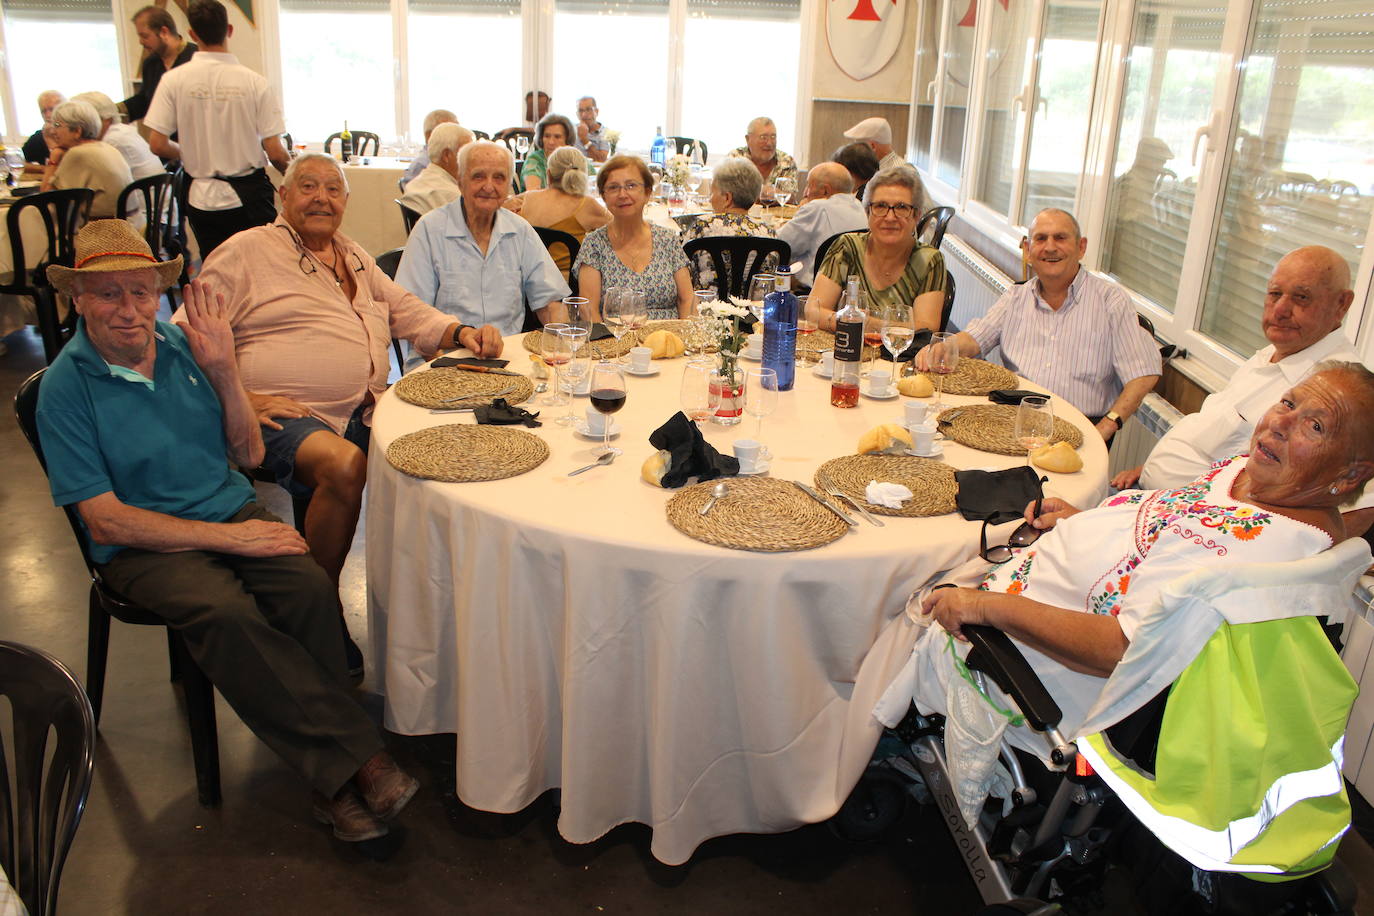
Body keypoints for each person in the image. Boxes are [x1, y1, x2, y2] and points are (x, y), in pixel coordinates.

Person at [35, 219, 421, 844]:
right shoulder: (64, 389)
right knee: (226, 612)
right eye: (108, 293)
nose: (129, 310)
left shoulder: (184, 346)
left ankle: (332, 778)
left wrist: (223, 373)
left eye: (140, 291)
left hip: (224, 507)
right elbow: (104, 518)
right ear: (77, 300)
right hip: (143, 542)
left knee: (307, 587)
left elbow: (247, 455)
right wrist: (231, 539)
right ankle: (355, 768)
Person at [874, 363, 1374, 759]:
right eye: (1288, 402)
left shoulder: (1252, 550)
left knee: (893, 594)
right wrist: (1085, 522)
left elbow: (1120, 648)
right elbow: (1167, 526)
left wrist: (981, 607)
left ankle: (862, 756)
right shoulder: (1263, 479)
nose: (1280, 423)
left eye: (1314, 425)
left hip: (1035, 661)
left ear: (1350, 475)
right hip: (1039, 573)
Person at [182, 154, 502, 676]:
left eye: (333, 189)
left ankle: (438, 614)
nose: (321, 198)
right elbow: (186, 331)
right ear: (283, 196)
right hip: (285, 416)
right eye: (308, 186)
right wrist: (238, 394)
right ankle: (317, 607)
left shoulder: (351, 256)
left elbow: (404, 308)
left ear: (346, 202)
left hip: (365, 408)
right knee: (345, 465)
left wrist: (460, 331)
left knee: (457, 443)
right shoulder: (247, 251)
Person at [1114, 247, 1373, 523]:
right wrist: (1150, 468)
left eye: (1301, 297)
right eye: (1275, 294)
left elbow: (1352, 511)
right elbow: (1212, 429)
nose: (1281, 310)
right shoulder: (1276, 351)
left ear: (1342, 304)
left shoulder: (1341, 391)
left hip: (1185, 525)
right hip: (1150, 497)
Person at [916, 208, 1161, 441]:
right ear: (1028, 249)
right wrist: (942, 347)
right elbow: (975, 339)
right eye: (1041, 239)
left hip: (1080, 427)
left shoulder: (1110, 300)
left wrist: (1107, 426)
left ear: (1081, 247)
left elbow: (1143, 373)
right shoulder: (1016, 296)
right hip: (1013, 421)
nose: (1050, 247)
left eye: (1060, 238)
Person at [146, 0, 290, 258]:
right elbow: (276, 153)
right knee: (261, 265)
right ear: (229, 30)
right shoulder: (254, 82)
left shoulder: (173, 80)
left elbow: (157, 143)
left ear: (192, 34)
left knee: (216, 268)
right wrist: (293, 180)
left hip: (201, 199)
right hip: (249, 197)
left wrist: (188, 153)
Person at [397, 140, 568, 339]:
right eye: (478, 176)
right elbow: (411, 313)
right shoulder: (429, 230)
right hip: (446, 351)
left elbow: (549, 301)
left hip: (506, 351)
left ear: (509, 186)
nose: (489, 186)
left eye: (499, 178)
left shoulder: (520, 231)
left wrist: (562, 337)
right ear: (460, 182)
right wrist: (455, 340)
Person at [805, 167, 947, 332]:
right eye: (880, 206)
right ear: (867, 212)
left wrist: (868, 324)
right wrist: (852, 323)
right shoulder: (847, 246)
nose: (890, 217)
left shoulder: (929, 261)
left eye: (901, 207)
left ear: (916, 216)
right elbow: (813, 311)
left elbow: (926, 328)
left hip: (896, 350)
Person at [574, 155, 692, 321]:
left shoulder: (667, 240)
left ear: (647, 192)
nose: (622, 194)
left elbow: (686, 299)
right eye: (613, 187)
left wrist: (684, 333)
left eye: (631, 185)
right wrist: (609, 338)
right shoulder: (594, 244)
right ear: (603, 196)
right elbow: (589, 311)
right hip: (615, 334)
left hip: (668, 335)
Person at [504, 145, 609, 279]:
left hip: (526, 280)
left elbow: (502, 211)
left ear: (548, 174)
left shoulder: (527, 198)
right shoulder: (586, 204)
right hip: (567, 284)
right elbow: (622, 231)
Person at [679, 156, 776, 293]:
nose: (710, 199)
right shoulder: (769, 232)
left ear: (727, 198)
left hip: (707, 304)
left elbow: (681, 272)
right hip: (755, 306)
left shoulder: (702, 227)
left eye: (712, 193)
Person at [40, 101, 140, 227]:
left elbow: (46, 198)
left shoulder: (78, 153)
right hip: (132, 228)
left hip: (105, 233)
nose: (53, 131)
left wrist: (54, 157)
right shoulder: (106, 147)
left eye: (57, 125)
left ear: (77, 131)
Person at [777, 161, 867, 288]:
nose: (805, 193)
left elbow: (780, 245)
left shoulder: (818, 208)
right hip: (852, 287)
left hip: (813, 289)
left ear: (825, 190)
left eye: (809, 186)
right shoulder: (860, 207)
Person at [120, 5, 196, 124]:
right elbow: (145, 101)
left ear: (164, 32)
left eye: (145, 36)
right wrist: (113, 111)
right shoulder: (150, 64)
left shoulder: (196, 57)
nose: (141, 42)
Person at [71, 91, 164, 180]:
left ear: (106, 119)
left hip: (141, 191)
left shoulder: (111, 141)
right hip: (156, 189)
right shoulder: (124, 131)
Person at [398, 123, 471, 216]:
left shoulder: (422, 179)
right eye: (466, 154)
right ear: (446, 155)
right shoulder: (451, 195)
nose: (472, 160)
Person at [730, 117, 798, 188]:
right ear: (748, 139)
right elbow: (727, 190)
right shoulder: (735, 158)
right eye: (763, 137)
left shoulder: (786, 162)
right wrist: (767, 191)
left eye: (773, 137)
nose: (769, 143)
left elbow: (788, 193)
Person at [399, 108, 458, 189]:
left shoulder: (448, 161)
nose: (456, 137)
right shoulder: (422, 165)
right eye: (451, 132)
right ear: (429, 136)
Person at [521, 113, 575, 192]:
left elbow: (592, 182)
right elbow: (533, 192)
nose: (551, 142)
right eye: (547, 136)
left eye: (557, 137)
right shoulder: (534, 160)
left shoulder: (574, 158)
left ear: (568, 139)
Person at [21, 90, 63, 165]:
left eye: (51, 109)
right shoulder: (38, 137)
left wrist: (51, 143)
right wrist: (43, 169)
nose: (48, 115)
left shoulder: (72, 135)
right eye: (44, 111)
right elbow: (20, 163)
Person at [574, 96, 610, 163]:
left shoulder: (605, 132)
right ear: (577, 114)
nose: (584, 115)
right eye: (580, 111)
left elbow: (601, 160)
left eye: (588, 109)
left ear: (596, 111)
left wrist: (584, 139)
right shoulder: (571, 130)